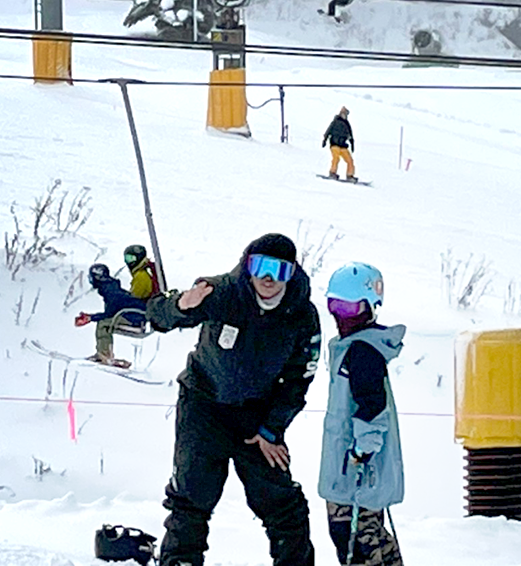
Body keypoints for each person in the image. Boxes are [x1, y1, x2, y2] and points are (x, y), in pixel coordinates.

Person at [147, 233, 321, 566]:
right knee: (192, 495)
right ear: (247, 265)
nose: (269, 278)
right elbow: (158, 316)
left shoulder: (301, 315)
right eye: (261, 267)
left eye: (279, 270)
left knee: (280, 500)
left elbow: (300, 379)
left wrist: (272, 429)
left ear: (292, 273)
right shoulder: (222, 292)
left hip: (257, 418)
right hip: (204, 405)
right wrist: (181, 305)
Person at [318, 263, 404, 566]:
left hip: (355, 473)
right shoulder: (354, 348)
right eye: (335, 305)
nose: (341, 316)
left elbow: (372, 407)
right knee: (369, 533)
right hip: (351, 470)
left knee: (353, 537)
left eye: (349, 307)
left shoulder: (362, 353)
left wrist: (360, 453)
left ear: (370, 307)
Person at [74, 263, 147, 367]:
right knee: (105, 322)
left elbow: (110, 314)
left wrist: (91, 318)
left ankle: (104, 355)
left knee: (103, 324)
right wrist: (91, 317)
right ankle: (104, 354)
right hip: (133, 315)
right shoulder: (109, 287)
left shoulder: (110, 292)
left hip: (133, 318)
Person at [322, 107, 356, 182]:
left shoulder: (347, 124)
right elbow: (329, 130)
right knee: (336, 158)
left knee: (349, 160)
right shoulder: (335, 122)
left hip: (343, 145)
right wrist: (325, 139)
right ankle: (332, 172)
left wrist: (352, 143)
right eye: (343, 113)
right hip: (334, 144)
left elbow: (350, 135)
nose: (344, 115)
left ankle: (350, 175)